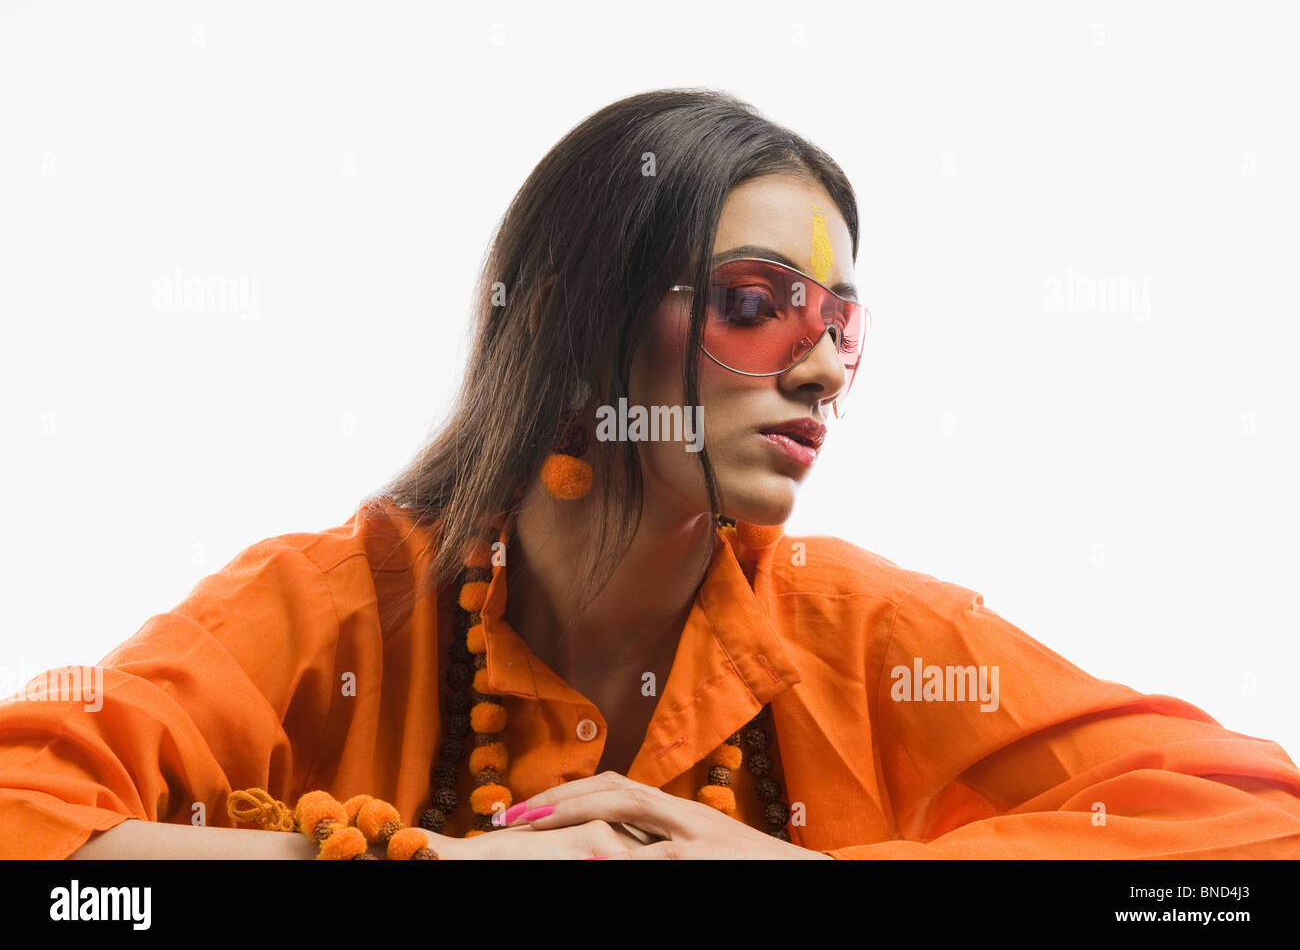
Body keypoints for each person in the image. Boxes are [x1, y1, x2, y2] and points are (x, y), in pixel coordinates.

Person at [3, 88, 1299, 860]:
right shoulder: (326, 608)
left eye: (842, 323)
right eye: (756, 301)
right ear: (573, 323)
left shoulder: (868, 635)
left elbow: (1255, 830)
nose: (822, 368)